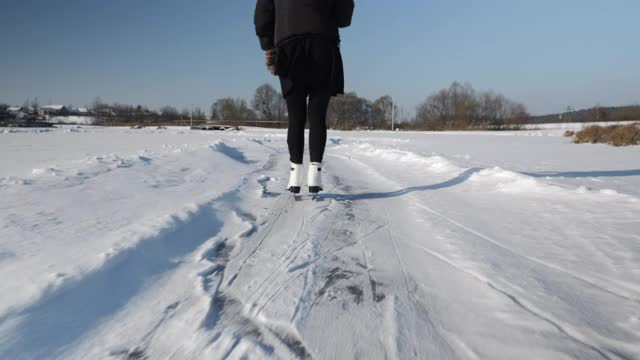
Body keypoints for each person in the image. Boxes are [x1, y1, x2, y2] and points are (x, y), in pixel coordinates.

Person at [254, 0, 355, 194]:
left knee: (295, 116)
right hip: (324, 44)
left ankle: (295, 174)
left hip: (288, 45)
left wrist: (268, 48)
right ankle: (315, 174)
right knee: (317, 115)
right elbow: (344, 18)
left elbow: (263, 16)